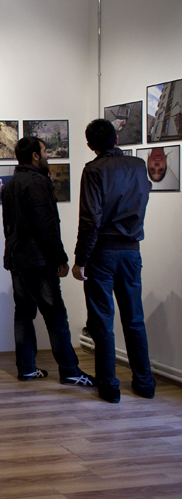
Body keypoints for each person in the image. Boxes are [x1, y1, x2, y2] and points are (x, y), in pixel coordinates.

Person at [72, 119, 155, 403]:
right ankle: (145, 383)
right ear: (116, 138)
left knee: (102, 320)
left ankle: (109, 387)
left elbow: (90, 218)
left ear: (90, 145)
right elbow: (143, 200)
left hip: (102, 252)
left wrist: (80, 259)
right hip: (132, 250)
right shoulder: (137, 166)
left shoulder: (93, 170)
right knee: (134, 318)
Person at [2, 137, 92, 387]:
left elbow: (8, 226)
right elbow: (47, 226)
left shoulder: (10, 185)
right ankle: (70, 370)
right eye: (44, 150)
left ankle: (27, 368)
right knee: (55, 316)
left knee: (23, 314)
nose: (47, 154)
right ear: (33, 155)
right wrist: (60, 258)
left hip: (17, 259)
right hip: (38, 261)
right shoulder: (38, 183)